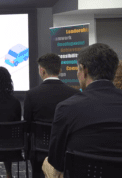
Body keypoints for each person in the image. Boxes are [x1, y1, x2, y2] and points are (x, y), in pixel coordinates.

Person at [44, 43, 122, 175]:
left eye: (77, 69)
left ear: (84, 70)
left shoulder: (66, 108)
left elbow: (56, 161)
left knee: (47, 163)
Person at [23, 53, 79, 178]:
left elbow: (27, 126)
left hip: (38, 152)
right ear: (59, 70)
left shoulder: (31, 95)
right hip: (66, 152)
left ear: (42, 71)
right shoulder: (74, 94)